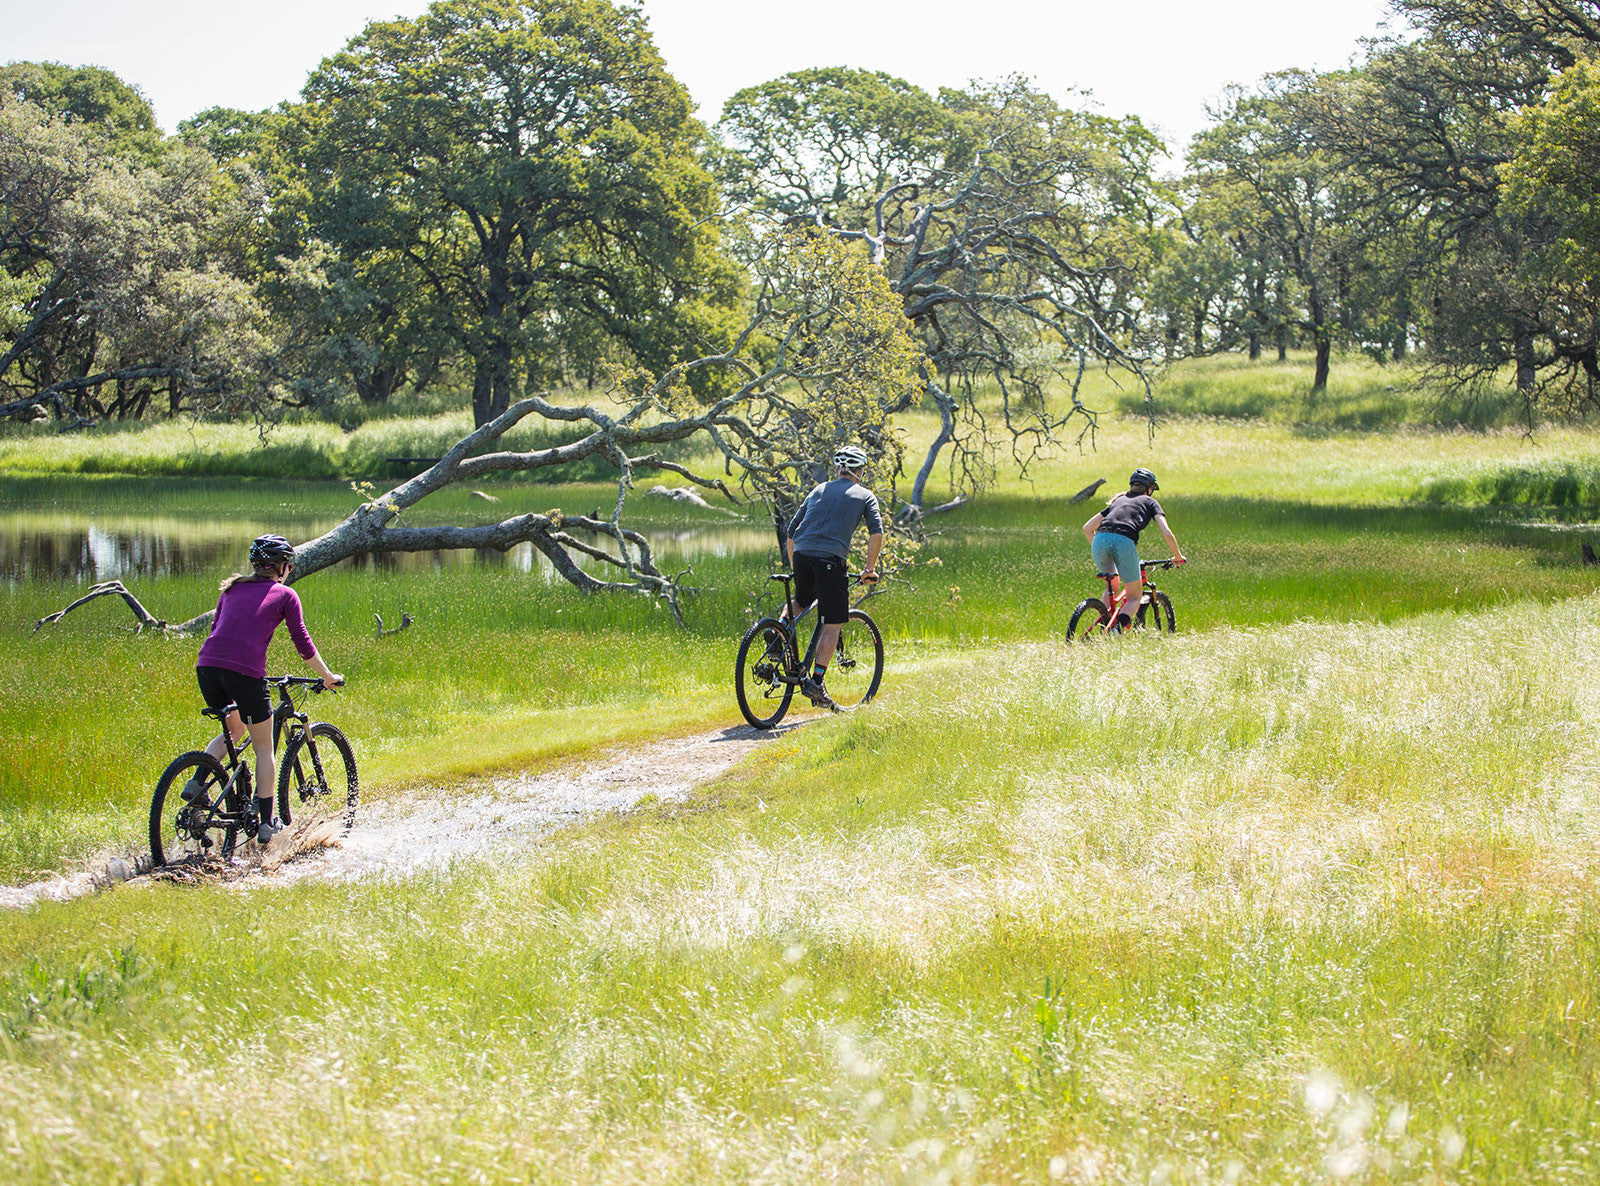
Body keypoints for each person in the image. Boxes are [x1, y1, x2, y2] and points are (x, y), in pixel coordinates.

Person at [185, 534, 343, 844]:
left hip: (207, 667)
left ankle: (196, 783)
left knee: (234, 729)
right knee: (263, 747)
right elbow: (302, 644)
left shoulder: (232, 589)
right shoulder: (285, 594)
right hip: (244, 673)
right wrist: (326, 675)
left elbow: (221, 630)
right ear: (283, 567)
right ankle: (268, 821)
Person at [784, 445, 884, 709]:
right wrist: (869, 569)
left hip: (803, 555)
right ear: (860, 470)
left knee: (801, 599)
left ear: (838, 469)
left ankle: (779, 631)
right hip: (830, 561)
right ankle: (816, 683)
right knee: (832, 622)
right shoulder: (865, 495)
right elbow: (877, 533)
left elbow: (792, 532)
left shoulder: (818, 489)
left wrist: (797, 568)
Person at [1081, 467, 1186, 632]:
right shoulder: (1150, 502)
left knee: (1112, 586)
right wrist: (1177, 556)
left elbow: (1087, 528)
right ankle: (1115, 633)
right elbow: (1167, 533)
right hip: (1124, 542)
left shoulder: (1119, 500)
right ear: (1149, 488)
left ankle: (1103, 627)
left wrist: (1102, 547)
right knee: (1134, 597)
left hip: (1099, 540)